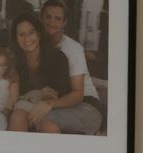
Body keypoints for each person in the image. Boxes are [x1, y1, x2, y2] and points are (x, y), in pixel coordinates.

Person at [6, 13, 83, 135]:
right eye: (21, 34)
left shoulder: (58, 57)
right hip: (24, 106)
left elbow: (66, 93)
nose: (27, 39)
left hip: (52, 109)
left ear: (39, 34)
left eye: (31, 32)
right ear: (16, 38)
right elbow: (11, 93)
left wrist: (53, 95)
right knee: (17, 116)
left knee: (48, 125)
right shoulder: (12, 59)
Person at [39, 0, 104, 135]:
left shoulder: (73, 49)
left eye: (57, 19)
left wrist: (50, 103)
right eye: (48, 17)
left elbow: (77, 95)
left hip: (87, 106)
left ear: (64, 23)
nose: (52, 22)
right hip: (63, 104)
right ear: (41, 17)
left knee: (44, 120)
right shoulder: (38, 44)